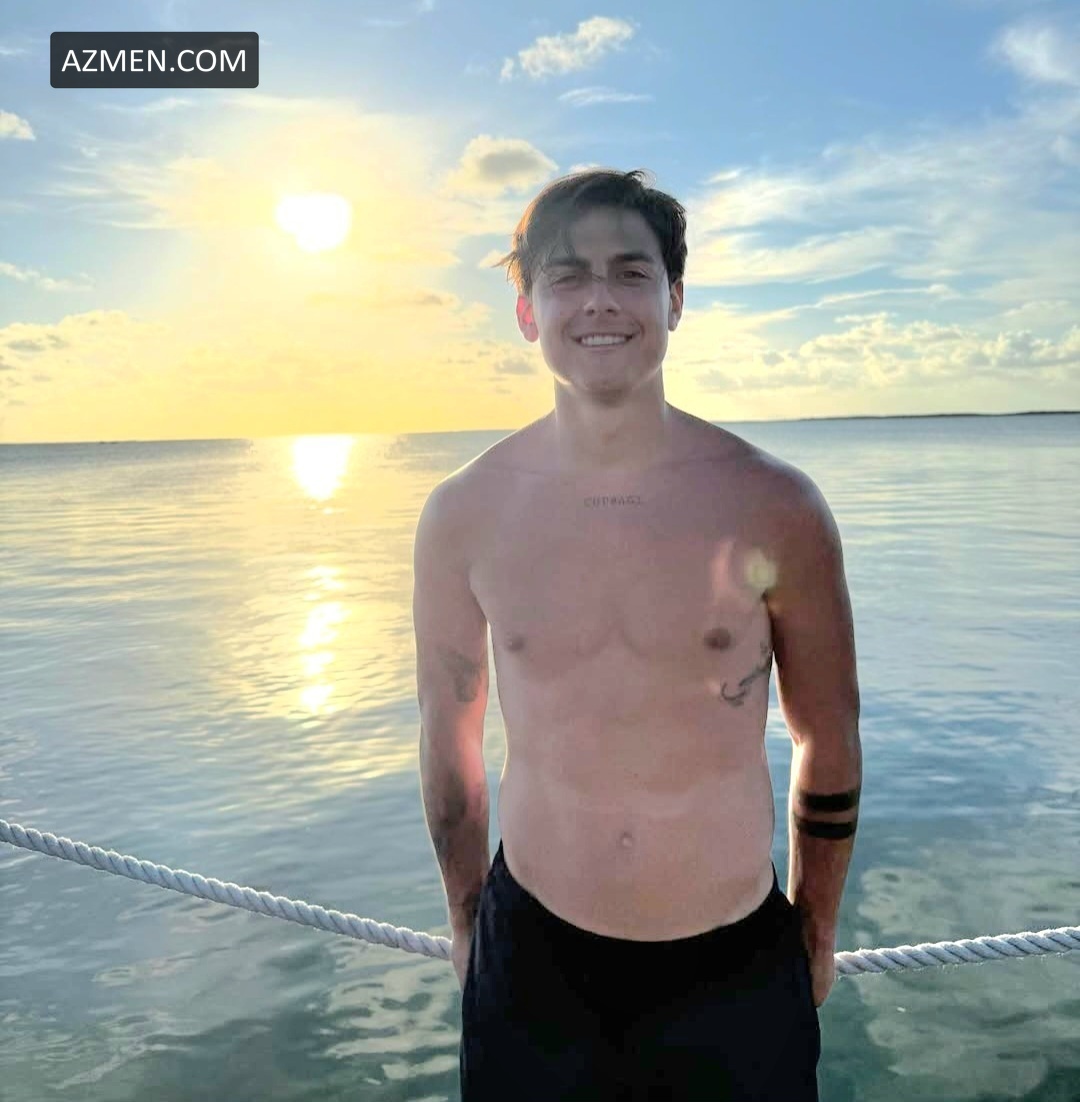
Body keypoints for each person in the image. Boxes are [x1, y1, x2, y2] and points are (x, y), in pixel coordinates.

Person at [413, 167, 862, 1101]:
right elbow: (449, 737)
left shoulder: (774, 504)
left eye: (631, 272)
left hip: (733, 965)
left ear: (675, 299)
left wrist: (815, 926)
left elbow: (827, 732)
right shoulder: (464, 514)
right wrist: (465, 917)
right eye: (567, 276)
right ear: (528, 312)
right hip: (533, 960)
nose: (600, 301)